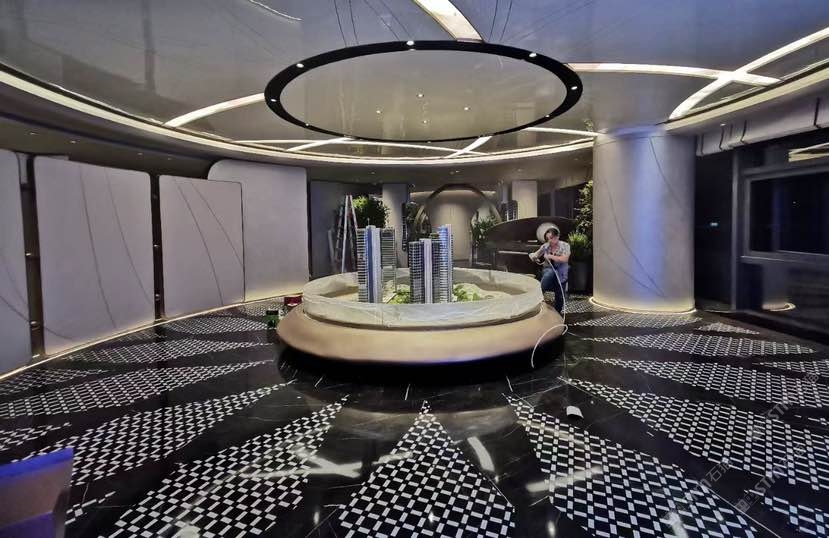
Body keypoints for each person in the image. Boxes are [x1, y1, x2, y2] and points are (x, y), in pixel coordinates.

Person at [529, 225, 570, 313]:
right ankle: (537, 297)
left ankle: (557, 313)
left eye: (551, 238)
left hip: (561, 272)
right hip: (549, 269)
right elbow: (536, 254)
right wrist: (533, 256)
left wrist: (550, 256)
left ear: (557, 236)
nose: (549, 241)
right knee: (550, 273)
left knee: (560, 296)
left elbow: (565, 259)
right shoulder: (545, 246)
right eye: (548, 239)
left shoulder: (565, 245)